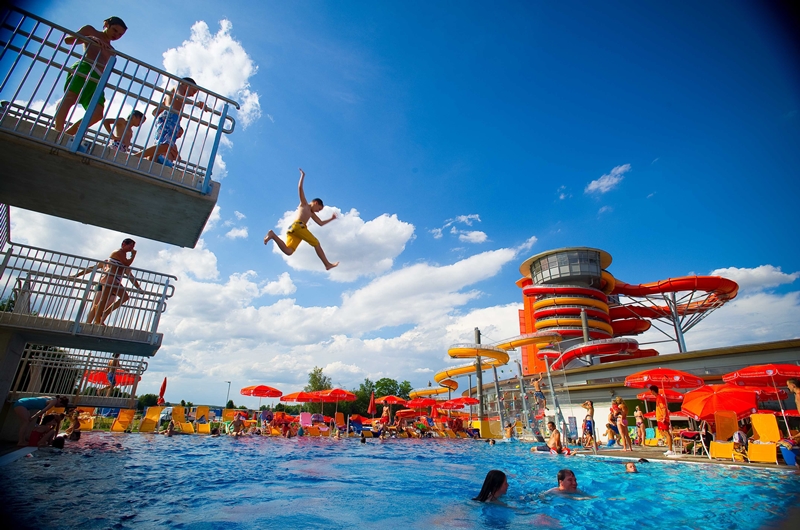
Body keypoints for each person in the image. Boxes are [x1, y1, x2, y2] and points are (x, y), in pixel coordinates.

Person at [54, 16, 127, 135]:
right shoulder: (91, 30)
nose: (116, 35)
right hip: (85, 66)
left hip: (98, 78)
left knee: (97, 113)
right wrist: (87, 38)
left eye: (120, 34)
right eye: (115, 30)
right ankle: (57, 130)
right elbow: (68, 40)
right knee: (70, 98)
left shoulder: (112, 50)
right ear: (106, 25)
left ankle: (68, 134)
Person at [264, 168, 339, 270]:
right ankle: (327, 264)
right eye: (319, 209)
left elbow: (320, 223)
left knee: (288, 251)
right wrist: (302, 176)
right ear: (316, 203)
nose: (318, 211)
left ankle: (272, 235)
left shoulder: (311, 213)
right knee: (316, 243)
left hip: (294, 230)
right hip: (298, 226)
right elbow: (300, 188)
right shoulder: (304, 205)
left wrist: (331, 218)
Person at [72, 238, 143, 325]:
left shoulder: (123, 265)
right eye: (130, 246)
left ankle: (99, 320)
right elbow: (92, 268)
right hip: (102, 283)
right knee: (96, 304)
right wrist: (77, 275)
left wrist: (139, 288)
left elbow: (131, 278)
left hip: (112, 282)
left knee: (103, 304)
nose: (131, 248)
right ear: (124, 244)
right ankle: (89, 323)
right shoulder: (109, 260)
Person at [140, 77, 208, 162]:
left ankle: (150, 161)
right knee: (165, 145)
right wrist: (196, 103)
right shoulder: (178, 87)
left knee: (163, 145)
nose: (193, 95)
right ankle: (138, 156)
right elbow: (179, 97)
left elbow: (155, 112)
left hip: (170, 117)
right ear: (185, 84)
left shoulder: (169, 95)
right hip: (171, 116)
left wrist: (164, 112)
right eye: (193, 91)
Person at [651, 385, 674, 455]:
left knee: (667, 433)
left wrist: (664, 417)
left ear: (652, 391)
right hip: (660, 418)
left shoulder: (660, 398)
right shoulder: (658, 398)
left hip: (662, 418)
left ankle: (670, 450)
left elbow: (663, 408)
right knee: (662, 432)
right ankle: (669, 446)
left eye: (651, 391)